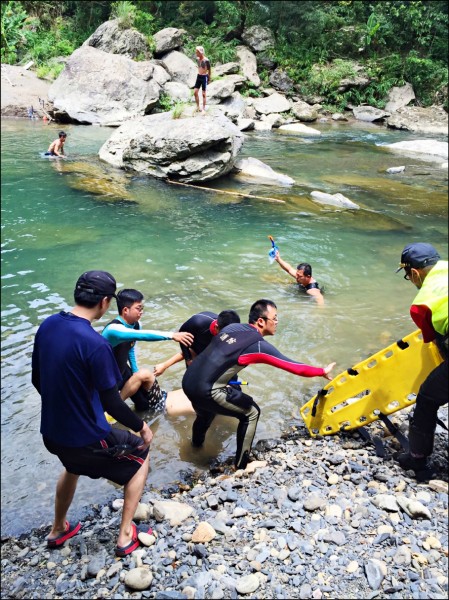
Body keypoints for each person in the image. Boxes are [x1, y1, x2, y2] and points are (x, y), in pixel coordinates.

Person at [32, 271, 153, 556]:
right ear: (105, 302)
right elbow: (111, 402)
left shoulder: (48, 326)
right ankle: (125, 536)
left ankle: (58, 528)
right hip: (85, 439)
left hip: (52, 434)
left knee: (72, 466)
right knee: (141, 455)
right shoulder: (95, 344)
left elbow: (39, 380)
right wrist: (142, 426)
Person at [182, 299, 335, 469]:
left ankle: (195, 451)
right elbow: (295, 367)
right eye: (274, 318)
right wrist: (322, 371)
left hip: (188, 381)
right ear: (261, 321)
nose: (277, 322)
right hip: (205, 389)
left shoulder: (232, 328)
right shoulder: (258, 345)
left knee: (205, 414)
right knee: (251, 412)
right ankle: (241, 465)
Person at [395, 242, 448, 478]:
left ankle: (416, 459)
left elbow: (433, 344)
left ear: (414, 273)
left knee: (427, 396)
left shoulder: (422, 302)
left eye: (408, 276)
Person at [102, 289, 194, 413]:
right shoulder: (113, 329)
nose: (141, 312)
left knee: (144, 405)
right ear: (125, 310)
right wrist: (172, 335)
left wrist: (135, 373)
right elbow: (143, 335)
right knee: (104, 408)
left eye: (142, 308)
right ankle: (112, 410)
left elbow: (130, 347)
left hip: (123, 370)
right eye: (138, 308)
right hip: (106, 375)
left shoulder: (136, 324)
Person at [154, 310, 218, 376]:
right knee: (192, 362)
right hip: (199, 327)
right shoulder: (197, 325)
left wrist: (164, 365)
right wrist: (188, 359)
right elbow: (189, 351)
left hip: (208, 338)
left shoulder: (220, 339)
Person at [194, 46, 211, 114]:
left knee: (203, 94)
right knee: (195, 92)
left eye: (197, 52)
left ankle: (203, 108)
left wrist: (209, 79)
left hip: (204, 77)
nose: (196, 53)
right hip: (199, 76)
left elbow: (209, 69)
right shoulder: (197, 59)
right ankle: (198, 106)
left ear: (201, 52)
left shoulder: (206, 60)